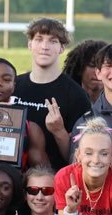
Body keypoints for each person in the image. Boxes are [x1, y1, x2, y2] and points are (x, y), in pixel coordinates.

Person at [12, 18, 91, 166]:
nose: (44, 47)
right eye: (39, 39)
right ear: (30, 44)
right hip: (13, 180)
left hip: (54, 182)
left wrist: (59, 131)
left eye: (53, 41)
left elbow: (80, 156)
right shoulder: (13, 86)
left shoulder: (76, 95)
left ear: (62, 48)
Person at [64, 39, 109, 104]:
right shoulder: (65, 101)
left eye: (104, 66)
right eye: (92, 65)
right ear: (79, 68)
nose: (98, 71)